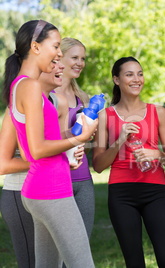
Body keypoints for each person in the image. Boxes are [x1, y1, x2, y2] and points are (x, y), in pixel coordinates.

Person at [2, 19, 96, 267]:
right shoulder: (30, 86)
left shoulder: (23, 86)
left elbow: (37, 145)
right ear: (35, 46)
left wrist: (69, 145)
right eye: (55, 46)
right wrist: (80, 137)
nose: (58, 53)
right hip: (51, 190)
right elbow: (36, 150)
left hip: (43, 189)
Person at [92, 56, 165, 268]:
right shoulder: (105, 116)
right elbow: (98, 166)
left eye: (140, 74)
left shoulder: (158, 112)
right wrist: (119, 140)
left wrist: (157, 155)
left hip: (155, 191)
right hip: (121, 195)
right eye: (129, 74)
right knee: (134, 262)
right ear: (117, 80)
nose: (136, 79)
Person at [54, 37, 95, 239]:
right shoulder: (47, 94)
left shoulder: (83, 98)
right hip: (57, 179)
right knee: (60, 246)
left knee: (82, 243)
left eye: (83, 58)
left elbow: (85, 147)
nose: (80, 63)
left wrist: (86, 140)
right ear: (60, 57)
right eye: (75, 57)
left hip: (83, 180)